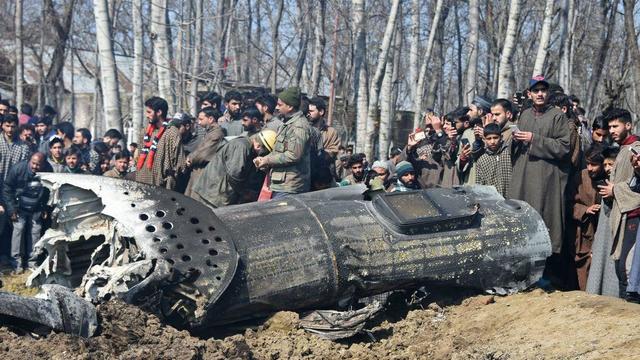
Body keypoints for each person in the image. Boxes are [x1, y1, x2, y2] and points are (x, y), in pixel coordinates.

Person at [509, 75, 571, 286]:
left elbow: (564, 148)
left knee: (544, 223)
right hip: (523, 177)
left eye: (544, 90)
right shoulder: (524, 115)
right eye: (536, 91)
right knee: (523, 223)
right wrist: (513, 139)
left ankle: (544, 277)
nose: (540, 94)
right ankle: (522, 276)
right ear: (529, 94)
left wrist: (534, 139)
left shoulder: (557, 117)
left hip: (546, 180)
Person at [596, 108, 640, 297]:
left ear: (628, 126)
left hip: (633, 215)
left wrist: (614, 190)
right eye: (610, 127)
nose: (612, 130)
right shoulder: (623, 150)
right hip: (622, 213)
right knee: (621, 266)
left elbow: (636, 186)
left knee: (627, 268)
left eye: (616, 126)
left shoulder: (636, 149)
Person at [193, 129, 277, 208]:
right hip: (213, 195)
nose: (263, 156)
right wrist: (245, 193)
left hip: (216, 194)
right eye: (265, 153)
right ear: (258, 146)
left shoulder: (247, 147)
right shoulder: (241, 146)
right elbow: (235, 174)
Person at [253, 87, 312, 198]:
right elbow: (279, 150)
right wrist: (264, 161)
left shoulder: (298, 126)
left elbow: (293, 155)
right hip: (281, 184)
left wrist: (267, 160)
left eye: (280, 105)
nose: (276, 107)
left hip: (290, 187)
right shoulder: (288, 123)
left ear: (289, 107)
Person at [2, 152, 50, 272]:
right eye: (33, 163)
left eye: (38, 165)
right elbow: (7, 189)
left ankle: (32, 263)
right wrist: (11, 209)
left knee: (35, 233)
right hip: (19, 207)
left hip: (36, 208)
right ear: (29, 161)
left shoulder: (49, 170)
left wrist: (44, 207)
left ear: (43, 164)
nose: (35, 167)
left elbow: (48, 191)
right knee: (18, 231)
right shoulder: (17, 169)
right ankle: (16, 263)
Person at [569, 144, 606, 291]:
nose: (590, 168)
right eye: (588, 164)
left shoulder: (610, 176)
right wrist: (585, 210)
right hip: (584, 233)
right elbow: (568, 204)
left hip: (603, 233)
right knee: (584, 270)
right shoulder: (579, 177)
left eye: (595, 165)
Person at [135, 97, 186, 190]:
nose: (146, 115)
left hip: (162, 186)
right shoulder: (145, 132)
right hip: (142, 183)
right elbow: (138, 157)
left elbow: (180, 164)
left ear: (159, 112)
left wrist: (169, 180)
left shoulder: (171, 132)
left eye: (149, 112)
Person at [185, 107, 225, 198]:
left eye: (201, 119)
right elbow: (198, 149)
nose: (199, 122)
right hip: (198, 172)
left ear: (210, 119)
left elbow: (204, 154)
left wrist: (190, 159)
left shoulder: (216, 134)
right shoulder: (210, 132)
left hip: (204, 174)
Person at [475, 123, 511, 198]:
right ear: (484, 139)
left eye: (495, 138)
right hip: (492, 201)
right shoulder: (482, 160)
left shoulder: (509, 153)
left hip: (511, 198)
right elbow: (479, 185)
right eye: (489, 138)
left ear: (501, 137)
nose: (492, 142)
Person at [0, 114, 32, 181]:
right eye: (7, 126)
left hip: (13, 184)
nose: (10, 129)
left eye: (13, 126)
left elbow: (23, 169)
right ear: (2, 125)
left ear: (17, 127)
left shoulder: (23, 146)